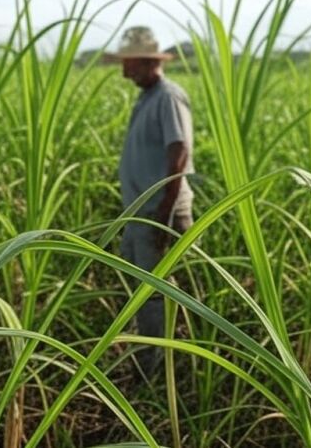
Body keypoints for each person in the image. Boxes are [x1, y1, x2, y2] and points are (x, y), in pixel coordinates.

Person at [114, 26, 195, 376]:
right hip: (139, 214)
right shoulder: (147, 96)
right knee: (140, 285)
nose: (123, 70)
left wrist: (163, 214)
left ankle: (157, 370)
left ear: (148, 63)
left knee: (154, 292)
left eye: (129, 63)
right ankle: (153, 356)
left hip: (157, 214)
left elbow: (179, 153)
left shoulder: (168, 96)